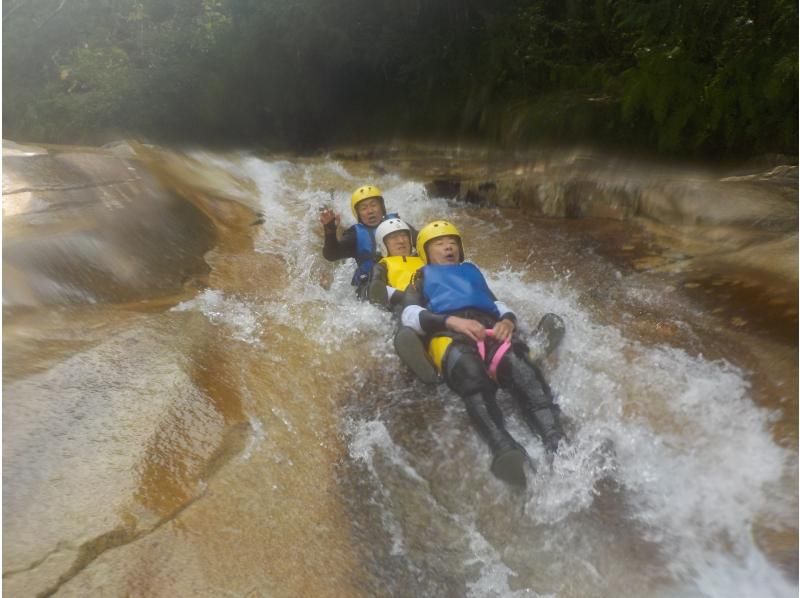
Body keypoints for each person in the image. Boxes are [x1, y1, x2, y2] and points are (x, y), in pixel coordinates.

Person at [401, 220, 566, 487]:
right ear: (425, 252)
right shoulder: (420, 277)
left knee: (524, 372)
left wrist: (508, 321)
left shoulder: (471, 271)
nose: (448, 247)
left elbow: (498, 304)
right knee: (472, 375)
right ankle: (502, 446)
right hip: (449, 334)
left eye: (452, 243)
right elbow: (409, 314)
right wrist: (451, 322)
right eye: (440, 244)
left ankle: (556, 440)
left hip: (490, 330)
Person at [366, 217, 439, 384]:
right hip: (402, 304)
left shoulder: (425, 260)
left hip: (434, 300)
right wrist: (404, 295)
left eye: (404, 236)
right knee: (406, 325)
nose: (401, 241)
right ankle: (428, 369)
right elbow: (376, 289)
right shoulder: (382, 265)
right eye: (393, 238)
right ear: (383, 245)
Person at [320, 184, 414, 298]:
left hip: (403, 278)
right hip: (371, 287)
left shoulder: (398, 224)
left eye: (374, 205)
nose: (370, 211)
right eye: (364, 208)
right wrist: (330, 230)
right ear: (358, 214)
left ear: (382, 207)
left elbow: (421, 242)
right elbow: (331, 255)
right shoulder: (354, 235)